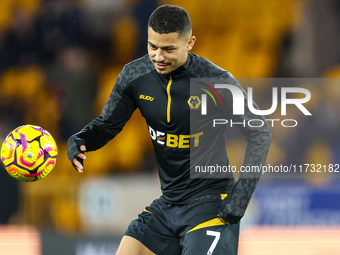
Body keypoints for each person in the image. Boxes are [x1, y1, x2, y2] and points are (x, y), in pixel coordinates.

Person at [67, 5, 271, 255]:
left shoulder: (215, 81)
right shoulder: (134, 75)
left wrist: (240, 198)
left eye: (168, 49)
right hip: (169, 204)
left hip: (211, 204)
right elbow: (107, 124)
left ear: (190, 43)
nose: (158, 56)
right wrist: (81, 139)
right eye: (152, 46)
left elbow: (260, 131)